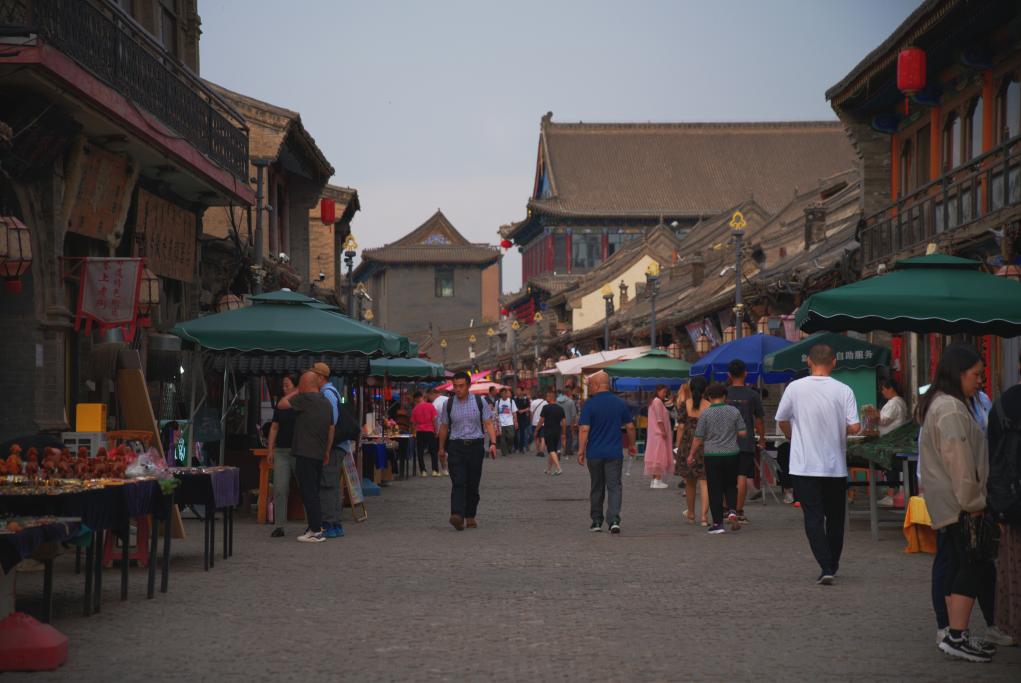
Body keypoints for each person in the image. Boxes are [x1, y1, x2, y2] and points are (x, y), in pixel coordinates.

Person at [917, 344, 997, 662]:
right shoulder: (949, 408)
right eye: (976, 374)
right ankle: (956, 635)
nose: (980, 381)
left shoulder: (944, 403)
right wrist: (974, 502)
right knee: (970, 566)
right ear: (959, 373)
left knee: (958, 565)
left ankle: (955, 632)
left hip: (950, 502)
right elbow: (960, 463)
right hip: (959, 504)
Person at [775, 343, 860, 584]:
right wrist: (838, 428)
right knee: (835, 518)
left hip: (804, 465)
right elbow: (855, 426)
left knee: (812, 517)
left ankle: (825, 565)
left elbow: (781, 418)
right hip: (835, 467)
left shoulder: (795, 388)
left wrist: (792, 435)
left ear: (809, 362)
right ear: (834, 362)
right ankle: (832, 563)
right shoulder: (844, 390)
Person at [437, 371, 498, 530]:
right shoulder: (448, 404)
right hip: (456, 446)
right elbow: (444, 427)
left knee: (472, 483)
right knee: (458, 481)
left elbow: (488, 423)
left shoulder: (479, 401)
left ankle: (470, 515)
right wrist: (441, 448)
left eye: (461, 386)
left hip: (475, 447)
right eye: (455, 386)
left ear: (468, 386)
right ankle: (457, 515)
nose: (458, 389)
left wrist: (493, 443)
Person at [277, 371, 333, 543]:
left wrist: (295, 391)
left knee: (308, 492)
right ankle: (315, 526)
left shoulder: (305, 399)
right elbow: (331, 428)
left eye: (300, 384)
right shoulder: (326, 401)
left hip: (304, 452)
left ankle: (315, 530)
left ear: (305, 385)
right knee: (314, 491)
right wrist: (327, 450)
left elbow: (281, 404)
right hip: (318, 452)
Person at [988, 352, 1021, 648]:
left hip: (1012, 500)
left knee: (1013, 566)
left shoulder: (1002, 404)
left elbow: (993, 456)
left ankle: (1014, 625)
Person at [577, 371, 636, 534]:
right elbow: (630, 426)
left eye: (590, 385)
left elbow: (584, 429)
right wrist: (632, 445)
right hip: (614, 453)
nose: (589, 388)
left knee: (597, 486)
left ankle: (596, 521)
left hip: (595, 453)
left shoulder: (589, 404)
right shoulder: (620, 403)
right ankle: (614, 520)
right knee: (614, 486)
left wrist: (581, 451)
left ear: (597, 385)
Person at [689, 382, 746, 534]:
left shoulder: (705, 414)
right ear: (725, 396)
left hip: (712, 455)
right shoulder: (734, 411)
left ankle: (718, 524)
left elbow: (698, 437)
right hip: (732, 454)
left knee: (715, 489)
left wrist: (691, 454)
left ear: (709, 397)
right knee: (730, 485)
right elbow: (743, 432)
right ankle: (732, 510)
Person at [308, 362, 345, 539]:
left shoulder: (327, 394)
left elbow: (332, 422)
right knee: (333, 485)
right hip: (338, 445)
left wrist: (326, 448)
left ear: (320, 377)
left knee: (327, 485)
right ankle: (335, 523)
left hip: (334, 446)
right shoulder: (333, 391)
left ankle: (329, 523)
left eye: (313, 376)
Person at [725, 360, 765, 521]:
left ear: (729, 375)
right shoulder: (753, 395)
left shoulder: (724, 394)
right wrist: (762, 439)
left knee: (727, 477)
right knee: (742, 475)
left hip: (725, 441)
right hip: (745, 441)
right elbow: (759, 420)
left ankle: (727, 509)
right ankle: (739, 511)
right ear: (746, 373)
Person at [675, 377, 710, 526]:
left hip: (688, 445)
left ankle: (691, 513)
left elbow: (681, 427)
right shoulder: (709, 406)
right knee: (705, 482)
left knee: (690, 482)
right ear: (705, 389)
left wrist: (678, 446)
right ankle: (704, 517)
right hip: (705, 445)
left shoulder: (686, 404)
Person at [267, 374, 298, 538]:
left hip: (299, 450)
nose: (284, 388)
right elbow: (274, 428)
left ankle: (313, 523)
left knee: (305, 487)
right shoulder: (280, 405)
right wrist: (270, 449)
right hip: (281, 451)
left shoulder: (300, 402)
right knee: (280, 487)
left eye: (288, 385)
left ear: (296, 386)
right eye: (283, 385)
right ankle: (279, 525)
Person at [644, 384, 673, 489]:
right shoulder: (657, 401)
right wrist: (663, 431)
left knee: (656, 457)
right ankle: (657, 480)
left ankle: (654, 480)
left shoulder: (654, 401)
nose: (664, 394)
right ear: (658, 391)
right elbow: (659, 419)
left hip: (654, 434)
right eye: (663, 392)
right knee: (659, 457)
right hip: (659, 433)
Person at [411, 390, 440, 476]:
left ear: (415, 399)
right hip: (430, 430)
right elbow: (434, 420)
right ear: (422, 397)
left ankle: (423, 471)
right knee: (433, 451)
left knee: (420, 451)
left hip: (420, 431)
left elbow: (413, 423)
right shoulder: (430, 406)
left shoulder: (415, 409)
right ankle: (435, 470)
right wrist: (436, 430)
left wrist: (414, 431)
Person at [538, 388, 566, 475]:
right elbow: (564, 422)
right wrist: (563, 432)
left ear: (551, 397)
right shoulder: (560, 408)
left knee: (551, 449)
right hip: (557, 431)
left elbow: (541, 420)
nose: (546, 398)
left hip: (548, 431)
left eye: (547, 396)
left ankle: (559, 468)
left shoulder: (545, 408)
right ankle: (548, 469)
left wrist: (537, 429)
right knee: (553, 449)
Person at [432, 389, 450, 475]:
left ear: (432, 394)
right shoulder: (448, 400)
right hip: (452, 429)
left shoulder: (434, 404)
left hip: (440, 430)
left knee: (441, 449)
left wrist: (435, 431)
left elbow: (434, 419)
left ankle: (444, 468)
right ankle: (450, 467)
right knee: (451, 450)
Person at [495, 387, 517, 457]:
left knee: (511, 436)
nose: (504, 395)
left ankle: (509, 447)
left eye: (505, 393)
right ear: (500, 394)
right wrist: (496, 423)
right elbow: (496, 413)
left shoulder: (511, 401)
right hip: (501, 423)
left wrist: (516, 422)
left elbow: (514, 412)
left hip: (510, 422)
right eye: (502, 393)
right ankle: (504, 452)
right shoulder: (498, 402)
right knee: (502, 438)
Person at [557, 388, 578, 456]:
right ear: (568, 393)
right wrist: (573, 424)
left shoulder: (556, 401)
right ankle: (567, 450)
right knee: (569, 437)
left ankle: (559, 450)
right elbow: (573, 414)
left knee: (559, 437)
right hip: (568, 423)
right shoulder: (571, 402)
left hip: (558, 423)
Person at [530, 391, 548, 457]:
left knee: (536, 437)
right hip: (543, 422)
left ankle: (538, 451)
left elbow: (531, 413)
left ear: (537, 396)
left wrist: (531, 421)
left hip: (534, 422)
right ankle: (542, 451)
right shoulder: (546, 403)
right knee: (543, 437)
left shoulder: (533, 402)